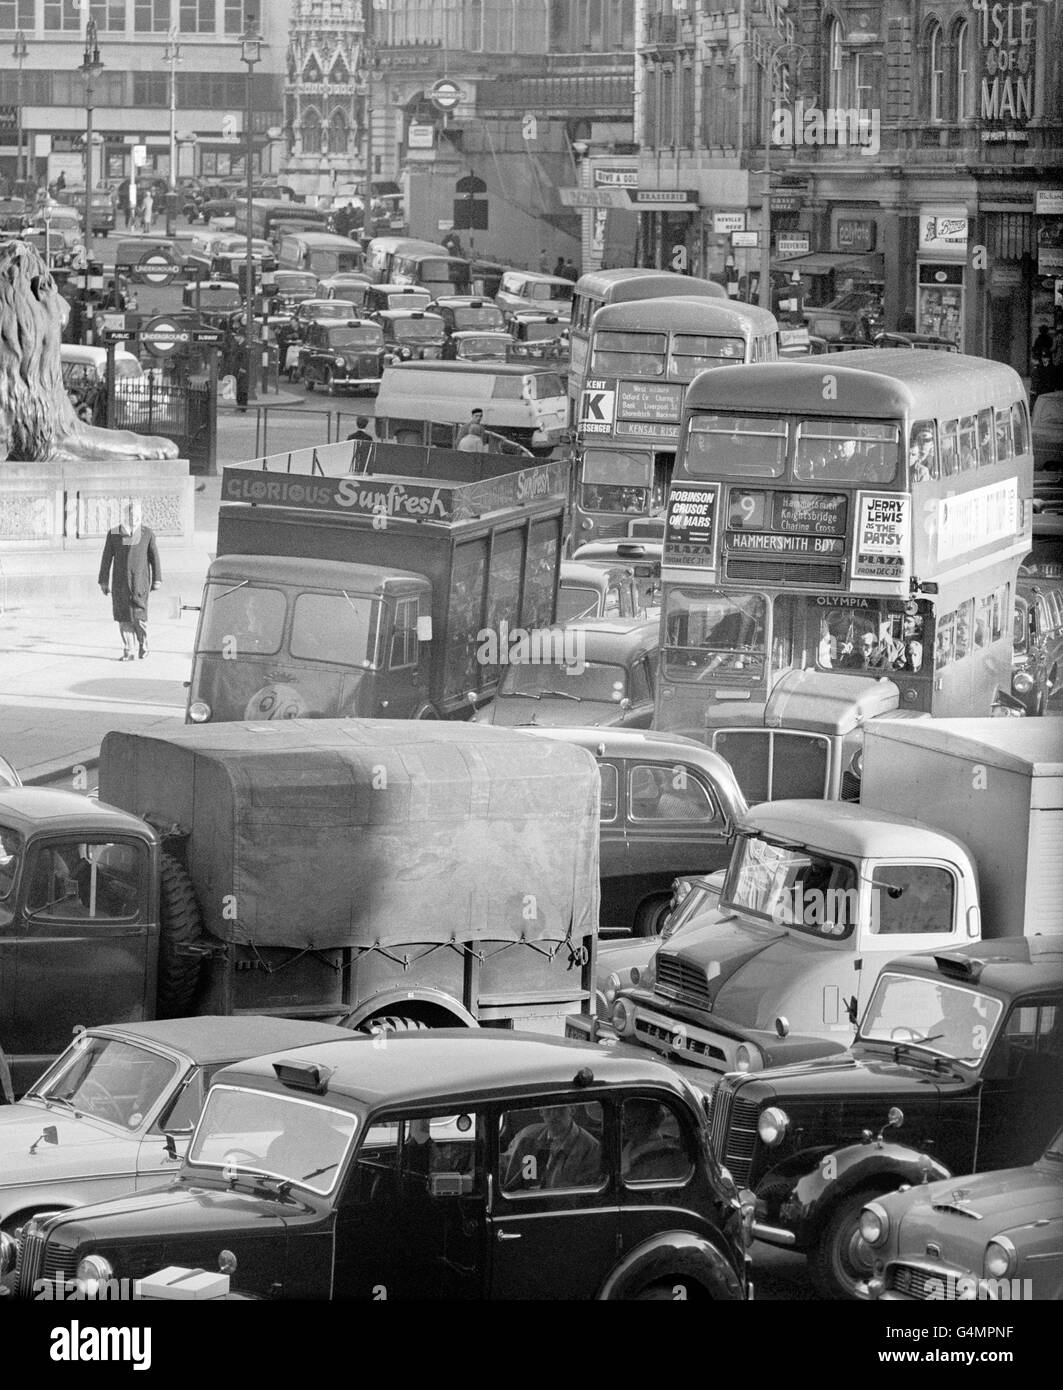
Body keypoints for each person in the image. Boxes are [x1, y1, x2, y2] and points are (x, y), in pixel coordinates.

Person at [98, 500, 162, 661]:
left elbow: (155, 558)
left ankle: (143, 644)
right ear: (126, 516)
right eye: (131, 515)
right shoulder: (114, 533)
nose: (134, 518)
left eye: (137, 516)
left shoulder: (147, 533)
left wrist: (157, 579)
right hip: (120, 584)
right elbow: (106, 559)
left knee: (139, 617)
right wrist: (103, 581)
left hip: (140, 582)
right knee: (124, 617)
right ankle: (129, 650)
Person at [503, 1104, 600, 1191]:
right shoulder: (526, 1137)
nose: (554, 1114)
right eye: (549, 1109)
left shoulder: (590, 1148)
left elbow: (584, 1196)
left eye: (560, 1108)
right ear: (541, 1111)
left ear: (572, 1109)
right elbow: (505, 1168)